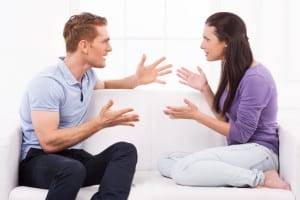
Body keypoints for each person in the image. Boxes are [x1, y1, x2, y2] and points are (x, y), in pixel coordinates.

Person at [19, 12, 172, 200]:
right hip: (38, 161)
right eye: (104, 41)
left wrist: (136, 79)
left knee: (125, 151)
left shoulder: (87, 77)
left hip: (72, 158)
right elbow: (48, 143)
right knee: (72, 169)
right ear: (84, 45)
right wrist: (99, 123)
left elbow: (105, 85)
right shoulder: (48, 83)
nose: (109, 48)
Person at [158, 12, 290, 190]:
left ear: (225, 41)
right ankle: (221, 171)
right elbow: (224, 120)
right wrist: (205, 88)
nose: (201, 45)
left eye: (207, 39)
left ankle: (260, 178)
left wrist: (197, 116)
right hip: (240, 151)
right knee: (165, 160)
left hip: (260, 152)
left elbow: (241, 134)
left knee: (183, 169)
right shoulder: (231, 68)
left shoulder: (256, 79)